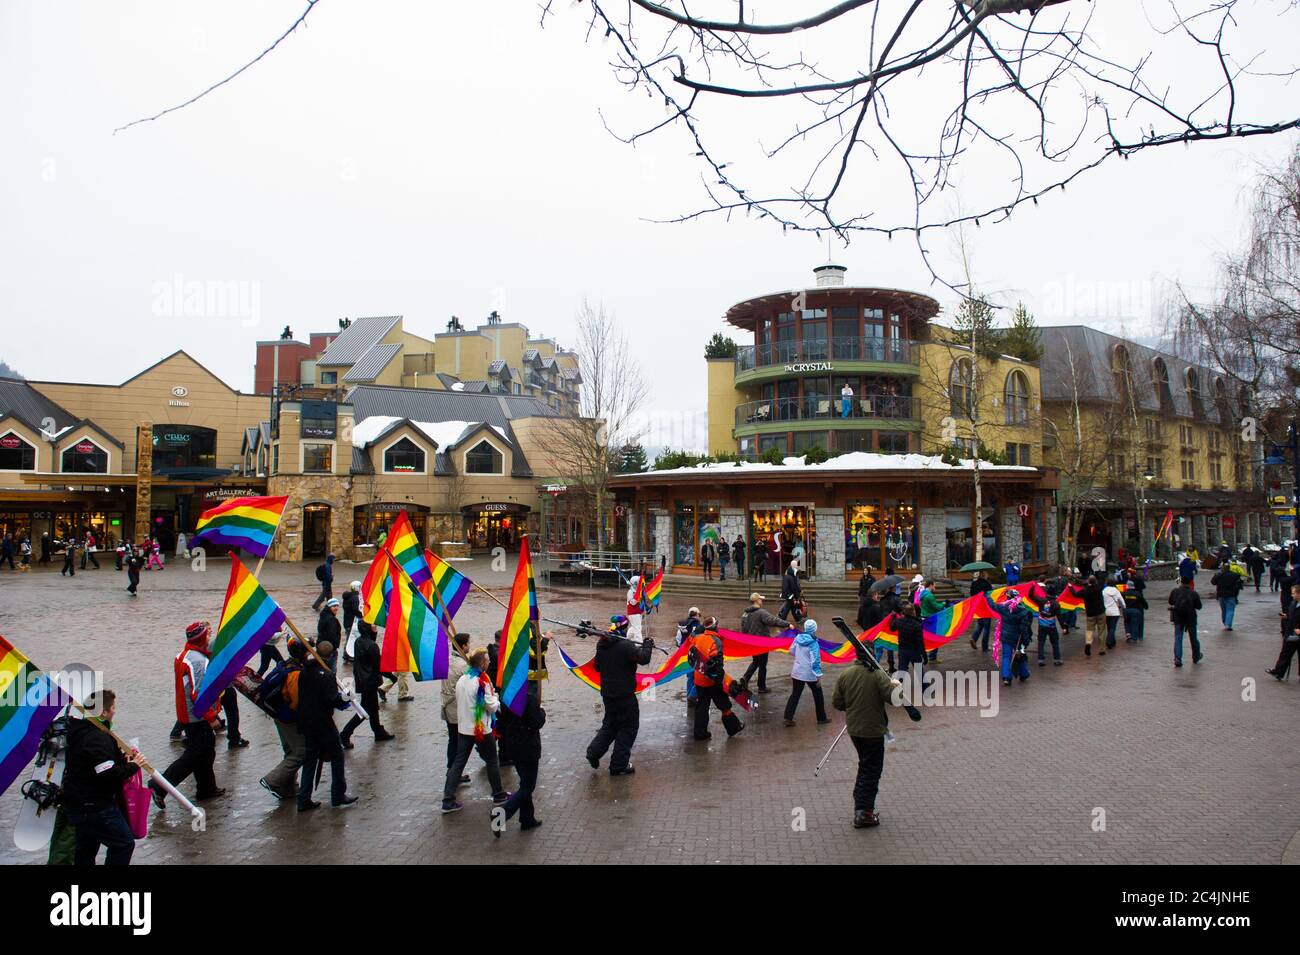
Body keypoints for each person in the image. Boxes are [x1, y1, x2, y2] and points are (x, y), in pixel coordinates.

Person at [62, 691, 148, 865]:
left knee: (86, 849)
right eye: (113, 708)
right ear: (103, 712)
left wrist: (122, 759)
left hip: (76, 803)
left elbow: (94, 762)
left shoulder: (80, 729)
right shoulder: (97, 737)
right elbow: (108, 774)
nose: (115, 711)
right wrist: (134, 765)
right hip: (94, 805)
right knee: (123, 843)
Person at [832, 645, 904, 828]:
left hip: (855, 730)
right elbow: (895, 700)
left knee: (865, 766)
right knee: (872, 770)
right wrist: (897, 686)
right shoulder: (878, 675)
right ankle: (864, 812)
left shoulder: (846, 674)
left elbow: (838, 703)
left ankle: (861, 807)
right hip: (872, 730)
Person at [154, 621, 224, 808]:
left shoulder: (183, 656)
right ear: (202, 639)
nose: (210, 638)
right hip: (196, 716)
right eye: (207, 636)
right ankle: (159, 785)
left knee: (207, 751)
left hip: (186, 714)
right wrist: (211, 717)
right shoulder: (198, 661)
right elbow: (198, 693)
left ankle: (207, 789)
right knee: (195, 755)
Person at [441, 647, 508, 814]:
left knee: (458, 763)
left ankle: (448, 799)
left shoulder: (463, 679)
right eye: (487, 660)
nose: (490, 662)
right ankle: (498, 794)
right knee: (492, 761)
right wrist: (497, 699)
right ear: (482, 663)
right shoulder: (481, 682)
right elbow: (491, 706)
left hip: (464, 728)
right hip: (481, 729)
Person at [585, 615, 654, 776]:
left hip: (608, 694)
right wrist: (648, 645)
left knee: (611, 724)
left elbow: (597, 666)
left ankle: (593, 752)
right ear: (624, 628)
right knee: (628, 728)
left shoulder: (602, 645)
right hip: (625, 695)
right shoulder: (626, 646)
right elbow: (643, 659)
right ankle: (619, 765)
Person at [296, 641, 358, 811]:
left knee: (310, 759)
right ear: (330, 656)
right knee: (337, 755)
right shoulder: (328, 675)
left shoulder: (304, 671)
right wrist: (344, 697)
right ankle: (338, 795)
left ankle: (303, 798)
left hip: (306, 721)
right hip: (322, 722)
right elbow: (332, 700)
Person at [257, 639, 308, 801]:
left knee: (290, 752)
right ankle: (273, 780)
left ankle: (288, 788)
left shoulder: (285, 665)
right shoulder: (295, 673)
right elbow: (296, 701)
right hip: (288, 718)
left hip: (278, 714)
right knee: (301, 753)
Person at [495, 676, 545, 834]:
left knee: (524, 783)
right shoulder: (528, 699)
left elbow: (501, 724)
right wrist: (541, 711)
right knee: (527, 786)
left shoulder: (506, 699)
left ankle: (527, 818)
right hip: (528, 748)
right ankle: (501, 815)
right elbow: (537, 722)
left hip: (513, 747)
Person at [341, 620, 396, 748]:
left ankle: (378, 731)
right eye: (373, 626)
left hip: (363, 679)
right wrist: (391, 677)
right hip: (370, 681)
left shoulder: (358, 641)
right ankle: (345, 734)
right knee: (364, 710)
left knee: (373, 707)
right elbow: (379, 666)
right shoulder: (371, 646)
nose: (376, 627)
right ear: (367, 628)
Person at [688, 619, 745, 741]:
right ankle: (734, 728)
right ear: (715, 627)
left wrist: (697, 630)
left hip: (699, 679)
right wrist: (722, 680)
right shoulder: (716, 640)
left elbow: (691, 639)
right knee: (724, 705)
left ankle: (700, 733)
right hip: (712, 680)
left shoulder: (697, 638)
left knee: (702, 706)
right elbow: (717, 663)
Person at [783, 619, 829, 726]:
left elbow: (791, 651)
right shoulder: (814, 643)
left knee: (795, 694)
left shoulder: (798, 638)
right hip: (809, 673)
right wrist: (818, 676)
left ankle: (788, 717)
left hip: (797, 672)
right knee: (818, 694)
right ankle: (821, 718)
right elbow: (815, 661)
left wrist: (800, 657)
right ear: (815, 629)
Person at [440, 630, 473, 782]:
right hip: (457, 708)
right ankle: (454, 772)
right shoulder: (463, 666)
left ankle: (451, 769)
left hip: (447, 705)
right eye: (468, 644)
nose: (469, 646)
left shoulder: (447, 659)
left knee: (453, 739)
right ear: (463, 646)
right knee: (458, 741)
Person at [739, 592, 786, 693]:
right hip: (762, 642)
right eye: (760, 599)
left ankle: (745, 678)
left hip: (751, 642)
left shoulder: (745, 613)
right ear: (756, 601)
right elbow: (773, 620)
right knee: (762, 665)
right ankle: (761, 686)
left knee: (756, 661)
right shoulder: (761, 612)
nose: (762, 601)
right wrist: (787, 624)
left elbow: (743, 629)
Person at [984, 590, 1033, 685]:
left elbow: (992, 605)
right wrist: (1026, 639)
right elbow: (1024, 627)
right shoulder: (1023, 610)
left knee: (1007, 656)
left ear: (1008, 597)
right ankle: (1024, 674)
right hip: (1018, 638)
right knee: (1020, 655)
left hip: (1006, 636)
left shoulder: (1003, 607)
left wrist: (987, 596)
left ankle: (1006, 677)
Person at [1266, 582, 1300, 680]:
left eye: (1294, 593)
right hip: (1291, 632)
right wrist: (1286, 616)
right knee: (1285, 652)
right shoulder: (1293, 603)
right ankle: (1279, 672)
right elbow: (1292, 615)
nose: (1292, 595)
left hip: (1298, 632)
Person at [1168, 578, 1204, 668]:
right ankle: (1196, 657)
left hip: (1178, 618)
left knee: (1178, 639)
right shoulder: (1193, 593)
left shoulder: (1175, 591)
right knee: (1193, 639)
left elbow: (1170, 601)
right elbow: (1199, 606)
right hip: (1191, 619)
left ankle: (1177, 658)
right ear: (1190, 583)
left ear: (1181, 582)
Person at [1070, 575, 1107, 657]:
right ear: (1095, 582)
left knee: (1089, 630)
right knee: (1102, 631)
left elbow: (1075, 594)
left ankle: (1088, 642)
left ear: (1088, 582)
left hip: (1090, 614)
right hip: (1100, 612)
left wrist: (1070, 587)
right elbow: (1102, 579)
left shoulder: (1085, 591)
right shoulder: (1098, 588)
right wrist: (1100, 570)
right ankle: (1102, 649)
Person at [676, 607, 704, 704]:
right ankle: (692, 695)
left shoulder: (682, 625)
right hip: (697, 654)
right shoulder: (700, 626)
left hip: (685, 654)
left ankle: (689, 696)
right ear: (696, 614)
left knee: (690, 676)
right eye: (699, 615)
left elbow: (678, 640)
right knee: (700, 675)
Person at [894, 603, 926, 681]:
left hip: (902, 649)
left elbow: (892, 628)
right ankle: (925, 689)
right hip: (914, 650)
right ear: (913, 612)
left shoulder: (899, 621)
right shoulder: (917, 624)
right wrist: (924, 654)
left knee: (902, 671)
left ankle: (898, 688)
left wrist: (893, 618)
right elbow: (920, 641)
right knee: (919, 671)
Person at [1210, 561, 1244, 631]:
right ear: (1229, 568)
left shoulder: (1219, 575)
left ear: (1223, 568)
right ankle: (1228, 624)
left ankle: (1225, 623)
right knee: (1230, 610)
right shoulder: (1235, 575)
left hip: (1221, 595)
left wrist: (1215, 575)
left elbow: (1213, 582)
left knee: (1224, 610)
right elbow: (1240, 583)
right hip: (1231, 595)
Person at [968, 571, 994, 652]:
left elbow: (972, 595)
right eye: (987, 574)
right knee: (986, 627)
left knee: (980, 624)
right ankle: (984, 647)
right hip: (985, 607)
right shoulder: (987, 584)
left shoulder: (974, 584)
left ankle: (974, 639)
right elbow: (990, 595)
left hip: (977, 607)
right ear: (985, 575)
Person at [1035, 590, 1062, 665]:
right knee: (1055, 642)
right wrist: (1063, 627)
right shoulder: (1056, 604)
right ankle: (1057, 659)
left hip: (1042, 626)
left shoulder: (1041, 601)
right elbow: (1059, 616)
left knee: (1041, 642)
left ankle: (1041, 659)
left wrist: (1032, 587)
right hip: (1051, 626)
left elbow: (1031, 596)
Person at [1121, 567, 1147, 643]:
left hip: (1129, 603)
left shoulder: (1128, 580)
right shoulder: (1138, 579)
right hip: (1138, 601)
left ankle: (1131, 634)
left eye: (1128, 573)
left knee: (1128, 620)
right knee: (1139, 619)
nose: (1127, 574)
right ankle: (1139, 635)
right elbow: (1144, 587)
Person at [317, 597, 342, 672]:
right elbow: (332, 635)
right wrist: (334, 647)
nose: (336, 608)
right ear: (329, 607)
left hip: (321, 647)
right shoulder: (331, 620)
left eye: (337, 606)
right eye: (334, 606)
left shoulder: (324, 615)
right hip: (329, 649)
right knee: (331, 670)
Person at [1102, 578, 1124, 649]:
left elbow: (1101, 600)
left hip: (1106, 612)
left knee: (1109, 627)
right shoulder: (1117, 591)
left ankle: (1113, 642)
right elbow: (1122, 601)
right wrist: (1124, 607)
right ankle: (1109, 641)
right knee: (1113, 627)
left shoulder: (1104, 591)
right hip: (1115, 612)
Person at [341, 580, 362, 661]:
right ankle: (348, 654)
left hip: (347, 621)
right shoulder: (354, 598)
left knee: (348, 638)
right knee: (351, 639)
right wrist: (363, 614)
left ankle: (347, 654)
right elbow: (356, 611)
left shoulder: (347, 597)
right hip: (352, 622)